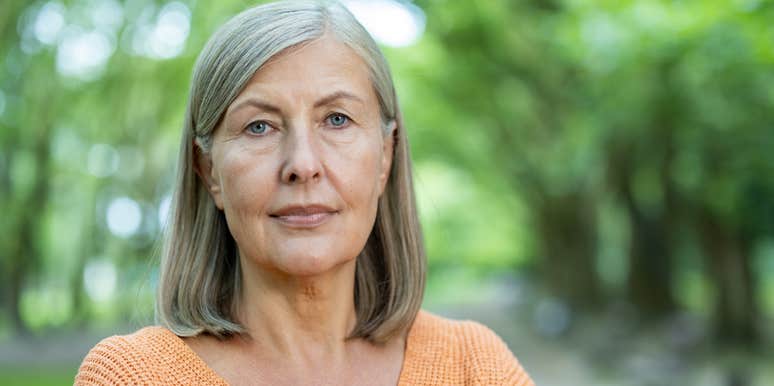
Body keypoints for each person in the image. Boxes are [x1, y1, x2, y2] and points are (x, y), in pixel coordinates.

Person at [75, 1, 534, 385]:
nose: (302, 165)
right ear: (208, 170)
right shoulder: (132, 377)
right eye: (260, 126)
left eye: (337, 119)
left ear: (385, 157)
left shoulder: (475, 367)